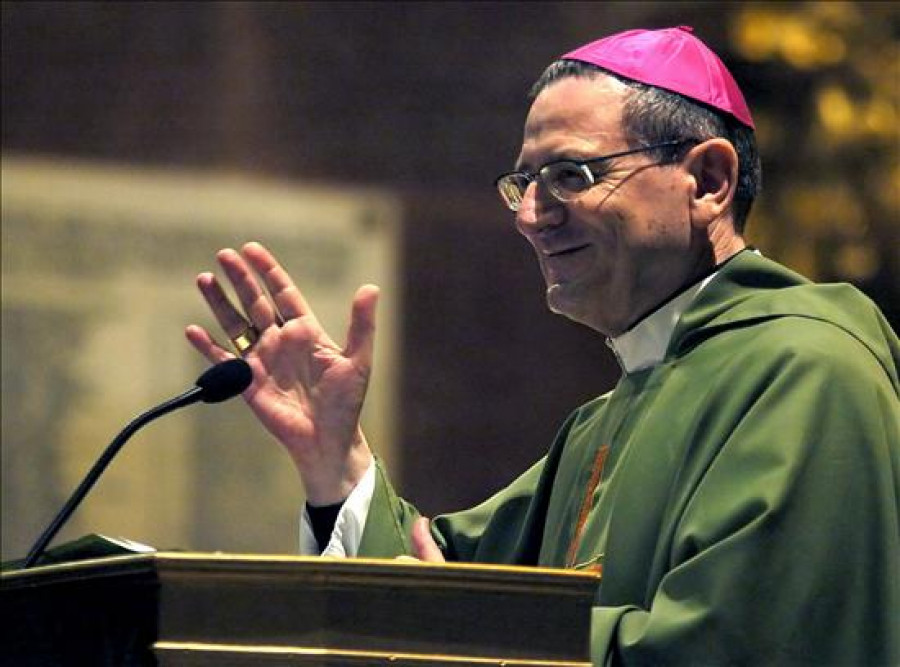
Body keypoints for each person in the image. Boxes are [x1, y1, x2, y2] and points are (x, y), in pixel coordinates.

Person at [186, 26, 900, 666]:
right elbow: (437, 583)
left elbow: (745, 645)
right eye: (524, 183)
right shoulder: (606, 417)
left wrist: (465, 621)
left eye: (571, 175)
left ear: (708, 181)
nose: (530, 217)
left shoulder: (809, 370)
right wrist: (334, 461)